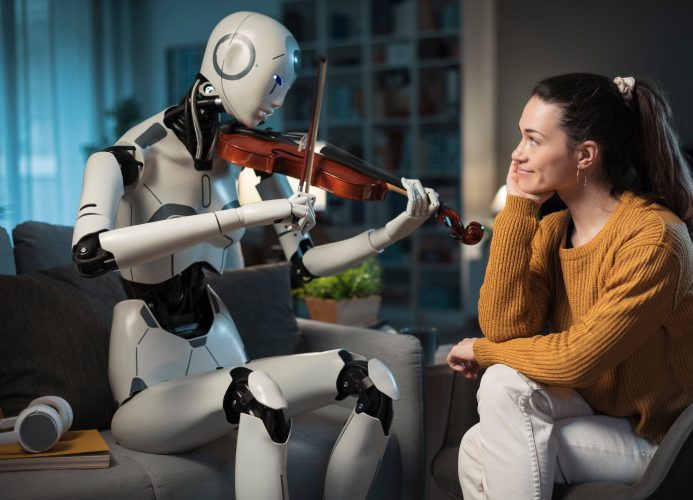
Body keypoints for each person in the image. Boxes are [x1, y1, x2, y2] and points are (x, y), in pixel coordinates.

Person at [71, 12, 439, 500]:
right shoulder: (125, 158)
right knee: (259, 395)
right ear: (233, 61)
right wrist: (241, 219)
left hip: (225, 353)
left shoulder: (249, 160)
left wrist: (394, 230)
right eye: (273, 84)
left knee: (374, 380)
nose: (277, 104)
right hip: (150, 383)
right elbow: (90, 251)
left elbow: (304, 266)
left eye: (284, 90)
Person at [446, 73, 693, 500]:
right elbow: (503, 327)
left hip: (668, 439)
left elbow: (577, 358)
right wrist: (519, 207)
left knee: (480, 446)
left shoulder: (654, 238)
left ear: (585, 155)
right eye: (521, 137)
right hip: (599, 408)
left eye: (533, 140)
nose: (517, 154)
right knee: (500, 387)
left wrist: (481, 351)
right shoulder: (554, 228)